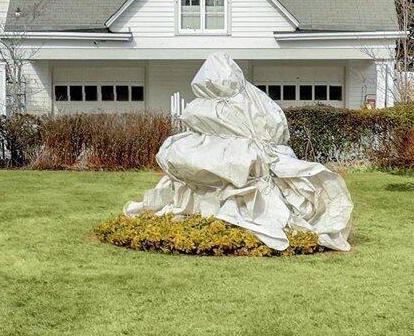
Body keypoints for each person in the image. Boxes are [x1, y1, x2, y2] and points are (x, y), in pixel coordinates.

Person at [124, 55, 353, 251]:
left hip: (246, 153)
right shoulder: (210, 106)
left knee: (236, 165)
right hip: (226, 151)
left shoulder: (238, 102)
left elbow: (269, 129)